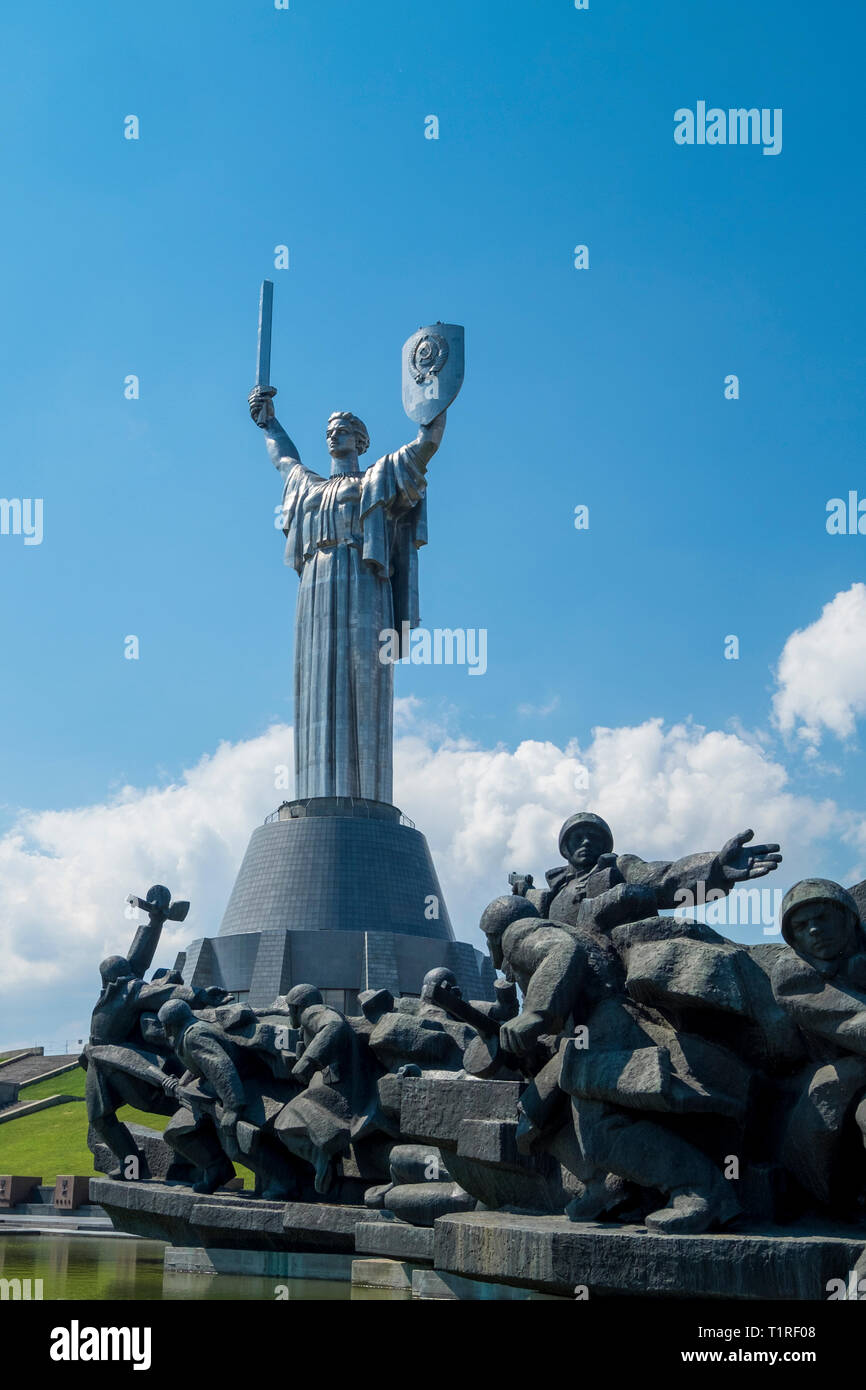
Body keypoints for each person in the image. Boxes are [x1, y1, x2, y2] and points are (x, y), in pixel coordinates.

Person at [249, 384, 446, 802]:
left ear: (361, 440)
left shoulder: (377, 477)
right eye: (329, 431)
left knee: (363, 679)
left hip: (362, 581)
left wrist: (435, 393)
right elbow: (283, 457)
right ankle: (316, 793)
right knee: (315, 681)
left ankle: (365, 796)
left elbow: (426, 444)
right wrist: (269, 420)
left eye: (342, 430)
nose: (333, 435)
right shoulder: (309, 488)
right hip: (315, 588)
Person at [524, 812, 781, 929]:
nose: (586, 842)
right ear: (564, 848)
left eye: (593, 836)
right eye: (577, 837)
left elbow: (665, 878)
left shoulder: (619, 866)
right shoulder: (554, 892)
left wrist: (716, 868)